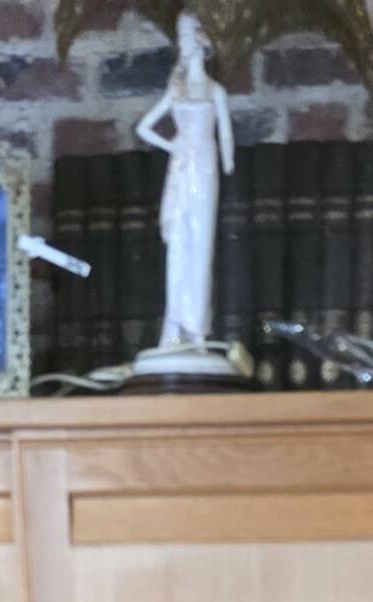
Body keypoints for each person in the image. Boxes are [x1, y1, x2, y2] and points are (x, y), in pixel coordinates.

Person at [136, 12, 233, 358]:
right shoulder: (175, 91)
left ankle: (197, 329)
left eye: (189, 35)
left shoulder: (215, 91)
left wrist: (227, 162)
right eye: (180, 36)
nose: (184, 43)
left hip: (205, 168)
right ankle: (174, 327)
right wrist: (172, 144)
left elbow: (225, 137)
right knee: (179, 245)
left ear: (203, 40)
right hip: (182, 167)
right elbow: (144, 128)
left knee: (201, 246)